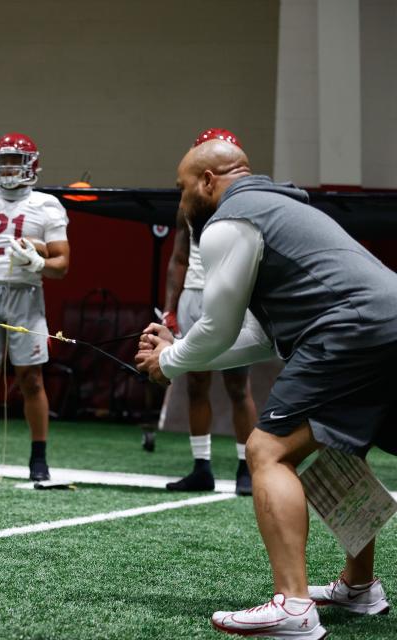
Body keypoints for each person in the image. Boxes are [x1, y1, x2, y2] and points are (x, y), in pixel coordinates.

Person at [136, 139, 396, 638]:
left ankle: (293, 607)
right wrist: (178, 350)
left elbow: (217, 328)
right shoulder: (279, 206)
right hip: (388, 320)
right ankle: (359, 586)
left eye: (183, 186)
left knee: (267, 450)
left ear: (208, 181)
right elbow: (254, 337)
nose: (182, 197)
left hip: (349, 328)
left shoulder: (228, 222)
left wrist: (169, 360)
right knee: (336, 446)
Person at [0, 133, 69, 482]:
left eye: (15, 161)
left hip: (26, 295)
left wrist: (37, 263)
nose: (7, 168)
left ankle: (38, 459)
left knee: (31, 378)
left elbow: (62, 264)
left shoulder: (47, 205)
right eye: (3, 160)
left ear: (30, 164)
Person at [161, 128, 255, 496]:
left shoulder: (244, 202)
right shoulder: (189, 199)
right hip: (193, 295)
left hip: (229, 291)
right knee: (196, 382)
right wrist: (169, 309)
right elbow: (179, 258)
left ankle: (247, 466)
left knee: (237, 385)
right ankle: (202, 466)